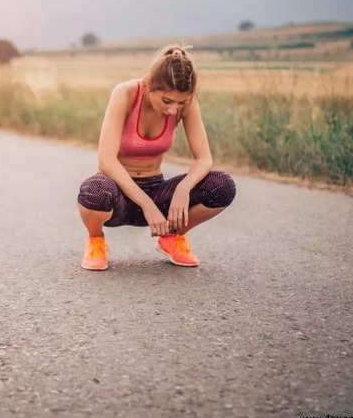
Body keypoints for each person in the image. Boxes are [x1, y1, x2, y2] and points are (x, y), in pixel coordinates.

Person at [76, 44, 236, 270]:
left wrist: (184, 189)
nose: (174, 110)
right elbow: (106, 160)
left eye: (181, 102)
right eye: (167, 101)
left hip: (157, 190)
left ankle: (172, 236)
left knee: (222, 185)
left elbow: (204, 159)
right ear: (149, 86)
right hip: (118, 192)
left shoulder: (185, 104)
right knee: (95, 191)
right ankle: (96, 241)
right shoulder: (125, 93)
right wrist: (146, 204)